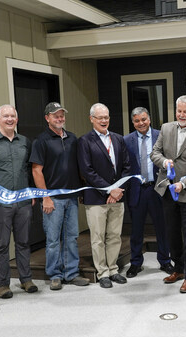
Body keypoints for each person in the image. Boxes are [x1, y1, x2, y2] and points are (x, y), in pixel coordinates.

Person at [0, 105, 37, 299]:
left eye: (13, 116)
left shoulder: (25, 142)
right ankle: (2, 284)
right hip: (0, 202)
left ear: (16, 119)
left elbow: (30, 170)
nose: (10, 119)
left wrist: (32, 193)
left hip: (23, 201)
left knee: (24, 242)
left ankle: (26, 279)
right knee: (2, 244)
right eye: (6, 116)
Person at [150, 95, 186, 293]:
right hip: (167, 190)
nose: (181, 115)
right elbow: (154, 153)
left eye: (185, 111)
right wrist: (164, 162)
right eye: (179, 111)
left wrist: (183, 184)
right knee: (172, 233)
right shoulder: (166, 129)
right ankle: (179, 268)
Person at [30, 102, 89, 291]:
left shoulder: (72, 138)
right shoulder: (41, 141)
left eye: (62, 115)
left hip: (71, 197)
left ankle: (71, 273)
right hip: (52, 199)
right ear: (47, 118)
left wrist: (80, 191)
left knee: (71, 237)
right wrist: (45, 197)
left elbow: (78, 167)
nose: (60, 118)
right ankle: (55, 274)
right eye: (56, 115)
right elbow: (36, 171)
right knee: (53, 239)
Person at [77, 103, 131, 288]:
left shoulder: (118, 139)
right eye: (100, 117)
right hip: (96, 199)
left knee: (115, 235)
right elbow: (87, 171)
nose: (104, 121)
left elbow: (126, 167)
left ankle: (114, 269)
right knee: (98, 237)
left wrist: (117, 191)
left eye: (106, 117)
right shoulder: (85, 141)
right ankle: (103, 273)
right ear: (92, 119)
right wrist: (109, 190)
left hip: (117, 197)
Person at [123, 107, 173, 278]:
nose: (141, 123)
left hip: (157, 188)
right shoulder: (126, 140)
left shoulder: (161, 136)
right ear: (133, 122)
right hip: (137, 190)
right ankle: (136, 263)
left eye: (143, 119)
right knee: (136, 229)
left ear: (149, 119)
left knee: (162, 227)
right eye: (137, 121)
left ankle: (165, 261)